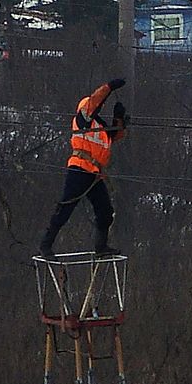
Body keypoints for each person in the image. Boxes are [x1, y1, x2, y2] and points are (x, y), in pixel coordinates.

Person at [39, 79, 129, 258]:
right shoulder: (83, 119)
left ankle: (101, 247)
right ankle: (45, 245)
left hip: (95, 174)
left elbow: (116, 135)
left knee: (105, 210)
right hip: (80, 169)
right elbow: (96, 100)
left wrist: (119, 118)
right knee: (66, 206)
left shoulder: (101, 128)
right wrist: (109, 88)